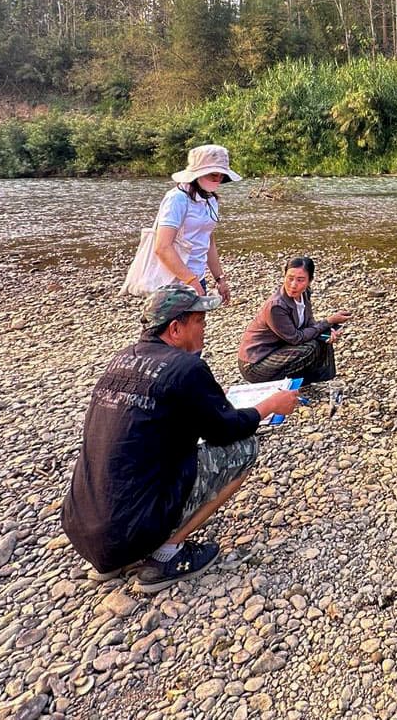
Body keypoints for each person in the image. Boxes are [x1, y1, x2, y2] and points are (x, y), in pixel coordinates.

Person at [62, 284, 299, 592]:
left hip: (83, 528)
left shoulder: (120, 360)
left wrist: (209, 402)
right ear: (175, 328)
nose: (204, 328)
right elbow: (226, 430)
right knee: (245, 448)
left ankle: (116, 557)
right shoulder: (186, 368)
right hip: (134, 528)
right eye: (199, 321)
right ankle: (165, 554)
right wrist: (268, 407)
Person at [237, 256, 352, 384]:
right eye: (290, 278)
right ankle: (282, 383)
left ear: (310, 281)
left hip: (280, 349)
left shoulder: (305, 293)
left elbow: (309, 324)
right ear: (284, 276)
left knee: (322, 338)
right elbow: (296, 338)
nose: (293, 285)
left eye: (300, 280)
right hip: (255, 364)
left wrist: (328, 331)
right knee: (310, 346)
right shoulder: (276, 306)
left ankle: (312, 379)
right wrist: (327, 322)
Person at [153, 144, 241, 306]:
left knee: (195, 329)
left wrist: (220, 279)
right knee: (171, 330)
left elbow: (208, 241)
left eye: (222, 176)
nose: (218, 179)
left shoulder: (210, 200)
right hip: (173, 283)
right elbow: (162, 247)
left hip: (197, 277)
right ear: (197, 174)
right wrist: (190, 281)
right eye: (214, 174)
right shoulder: (177, 199)